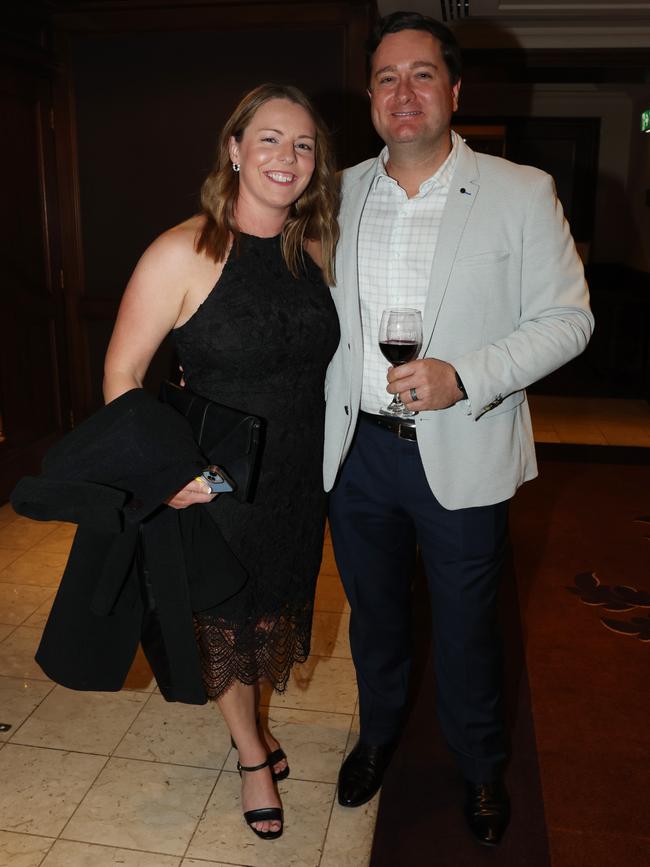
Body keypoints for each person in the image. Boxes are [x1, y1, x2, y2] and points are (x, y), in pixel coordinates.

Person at [323, 11, 594, 846]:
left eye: (422, 74)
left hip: (464, 448)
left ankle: (480, 765)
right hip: (356, 449)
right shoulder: (333, 192)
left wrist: (465, 375)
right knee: (374, 617)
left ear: (454, 90)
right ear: (369, 97)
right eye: (387, 78)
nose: (404, 92)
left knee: (470, 626)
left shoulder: (520, 190)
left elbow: (568, 321)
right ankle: (377, 736)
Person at [103, 83, 340, 840]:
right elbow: (121, 377)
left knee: (271, 611)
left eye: (303, 145)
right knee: (229, 622)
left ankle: (257, 732)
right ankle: (250, 755)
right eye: (269, 139)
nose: (287, 157)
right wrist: (165, 472)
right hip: (220, 480)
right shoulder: (184, 250)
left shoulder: (316, 251)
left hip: (299, 480)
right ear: (234, 149)